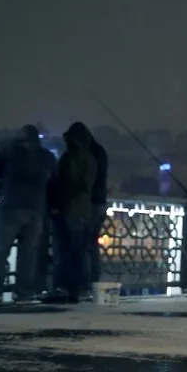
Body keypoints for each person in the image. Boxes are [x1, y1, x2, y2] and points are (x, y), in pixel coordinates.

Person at [0, 125, 56, 305]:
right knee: (28, 254)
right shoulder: (47, 156)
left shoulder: (11, 152)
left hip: (11, 207)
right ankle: (24, 292)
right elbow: (54, 180)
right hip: (36, 209)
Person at [46, 123, 97, 303]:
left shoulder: (70, 158)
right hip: (84, 210)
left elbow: (68, 184)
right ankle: (82, 288)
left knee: (65, 252)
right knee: (81, 252)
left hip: (69, 209)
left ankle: (63, 288)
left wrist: (56, 204)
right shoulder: (91, 158)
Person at [68, 122, 109, 289]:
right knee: (91, 245)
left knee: (83, 245)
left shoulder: (86, 155)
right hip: (100, 202)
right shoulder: (100, 152)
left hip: (88, 203)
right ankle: (94, 283)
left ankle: (85, 284)